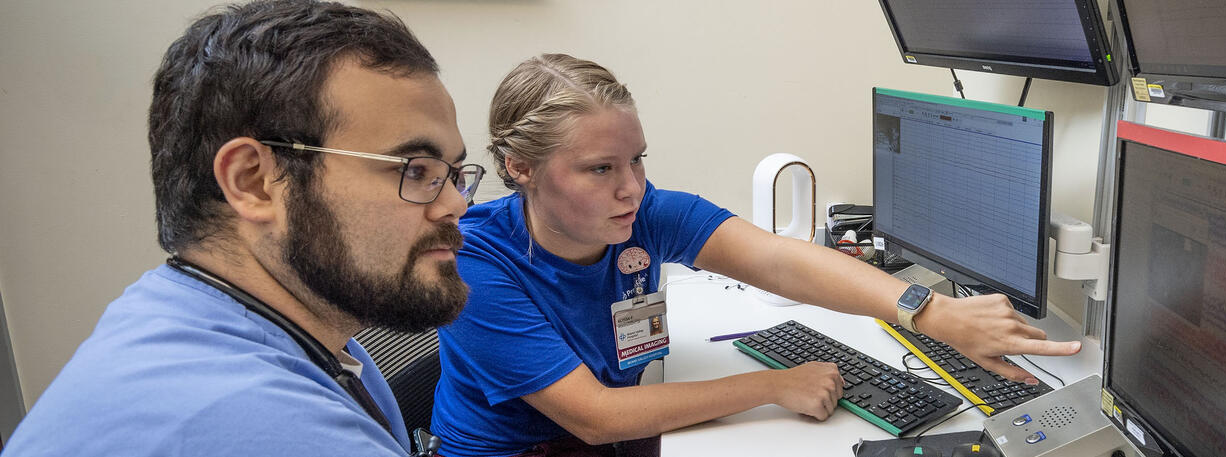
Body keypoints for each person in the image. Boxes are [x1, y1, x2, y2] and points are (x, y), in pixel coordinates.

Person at [430, 54, 1083, 457]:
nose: (631, 186)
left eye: (636, 160)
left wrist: (928, 309)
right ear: (520, 168)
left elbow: (776, 259)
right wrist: (772, 385)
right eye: (600, 168)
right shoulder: (474, 265)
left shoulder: (640, 212)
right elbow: (595, 417)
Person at [1, 1, 484, 456]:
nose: (453, 205)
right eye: (414, 169)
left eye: (454, 174)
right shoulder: (259, 423)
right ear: (253, 182)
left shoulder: (239, 321)